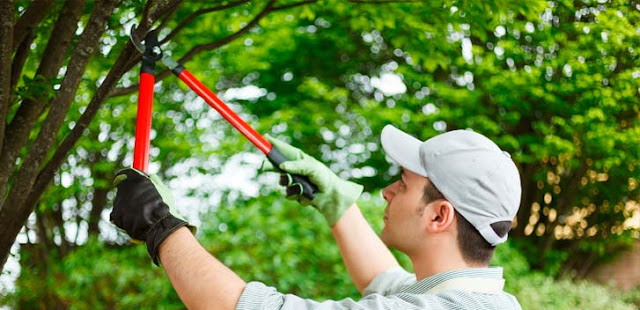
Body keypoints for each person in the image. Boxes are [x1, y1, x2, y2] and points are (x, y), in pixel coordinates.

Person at [110, 124, 523, 309]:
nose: (387, 191)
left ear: (439, 217)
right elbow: (382, 281)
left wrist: (160, 225)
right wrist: (336, 202)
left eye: (403, 183)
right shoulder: (480, 300)